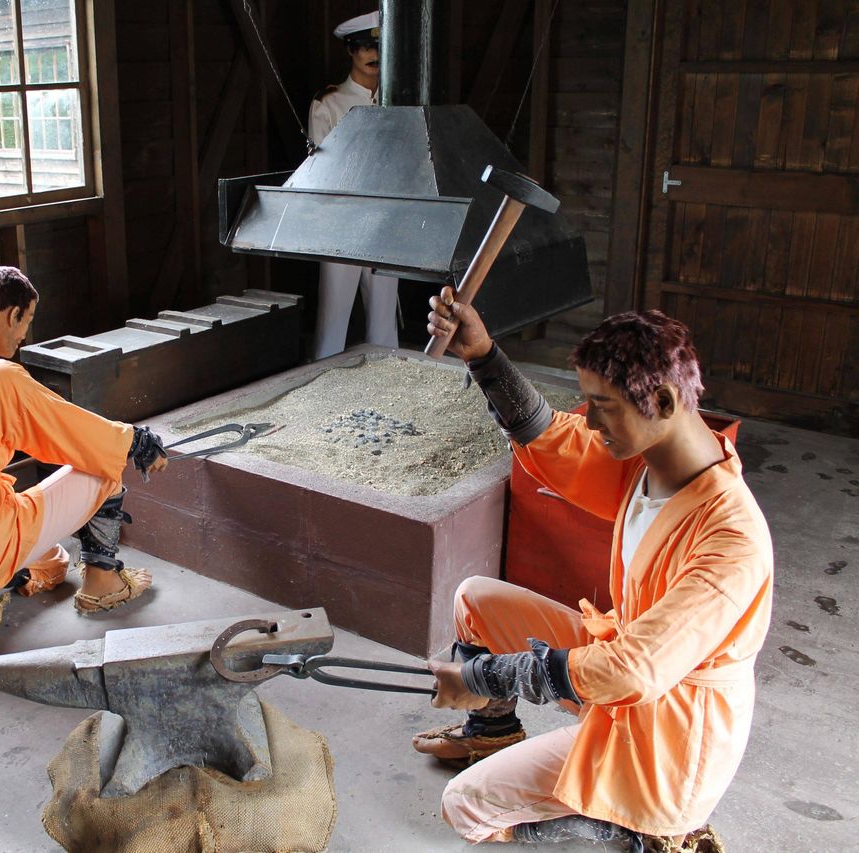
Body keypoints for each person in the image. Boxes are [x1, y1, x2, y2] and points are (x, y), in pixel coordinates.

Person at [414, 287, 772, 851]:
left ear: (663, 401)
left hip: (667, 740)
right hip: (628, 667)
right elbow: (555, 438)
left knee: (465, 805)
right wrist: (482, 355)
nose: (592, 421)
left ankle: (647, 832)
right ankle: (492, 732)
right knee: (476, 598)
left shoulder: (731, 540)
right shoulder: (651, 462)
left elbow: (633, 670)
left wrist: (484, 677)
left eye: (603, 407)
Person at [0, 265, 170, 633]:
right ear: (12, 314)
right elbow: (77, 435)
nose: (24, 334)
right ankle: (103, 584)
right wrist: (136, 441)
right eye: (27, 320)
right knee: (103, 465)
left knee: (53, 562)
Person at [308, 10, 399, 360]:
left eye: (379, 46)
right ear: (350, 50)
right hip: (340, 224)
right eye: (364, 47)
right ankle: (322, 380)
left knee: (384, 324)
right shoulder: (329, 103)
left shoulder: (396, 101)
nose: (373, 54)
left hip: (384, 223)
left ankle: (386, 381)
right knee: (333, 320)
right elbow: (321, 170)